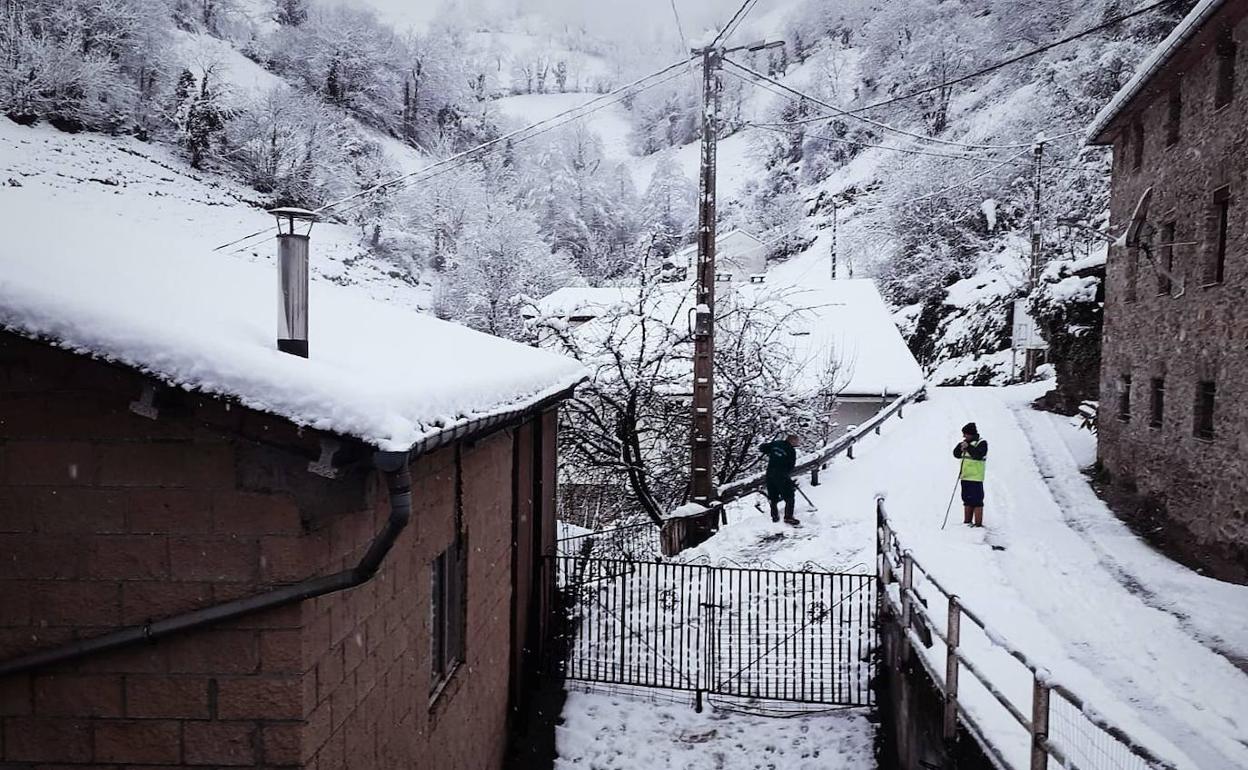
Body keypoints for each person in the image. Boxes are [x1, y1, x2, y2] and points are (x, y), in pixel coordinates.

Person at [952, 422, 988, 527]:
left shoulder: (982, 443)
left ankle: (978, 524)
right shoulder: (964, 443)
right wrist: (960, 448)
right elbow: (955, 454)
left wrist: (968, 447)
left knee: (977, 501)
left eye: (965, 434)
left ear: (971, 434)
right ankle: (967, 523)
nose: (963, 436)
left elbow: (978, 455)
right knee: (967, 499)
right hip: (965, 476)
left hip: (976, 477)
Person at [760, 434, 800, 524]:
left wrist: (772, 454)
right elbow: (791, 466)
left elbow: (762, 447)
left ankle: (774, 516)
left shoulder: (777, 443)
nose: (798, 443)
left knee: (773, 496)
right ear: (792, 441)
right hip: (781, 475)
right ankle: (788, 517)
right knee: (789, 496)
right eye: (797, 441)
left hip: (770, 473)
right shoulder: (791, 450)